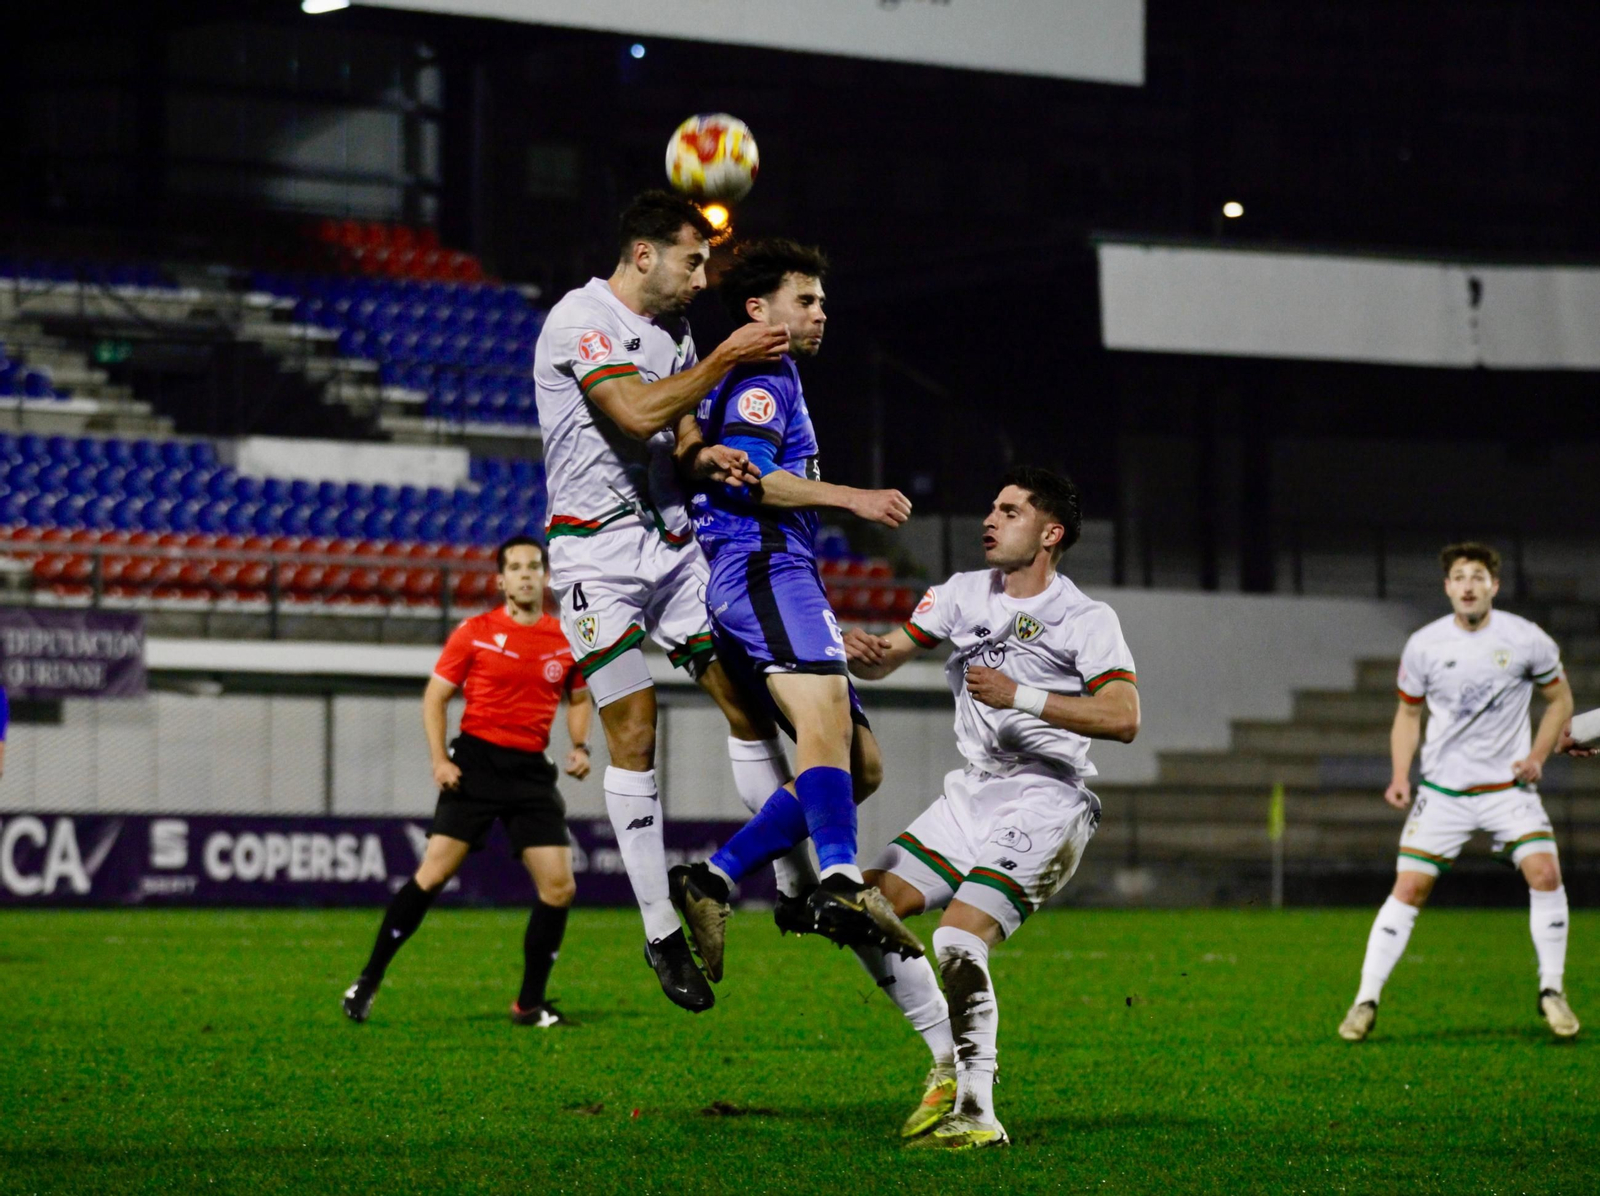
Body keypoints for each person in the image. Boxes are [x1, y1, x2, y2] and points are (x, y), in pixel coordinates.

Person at [534, 190, 798, 1013]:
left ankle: (794, 885)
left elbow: (673, 435)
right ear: (644, 255)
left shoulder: (675, 330)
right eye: (692, 260)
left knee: (748, 702)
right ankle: (659, 932)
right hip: (594, 559)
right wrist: (724, 359)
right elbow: (636, 408)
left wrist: (706, 456)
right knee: (636, 728)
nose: (702, 277)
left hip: (672, 547)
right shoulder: (579, 320)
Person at [844, 467, 1140, 1150]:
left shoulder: (1086, 618)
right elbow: (890, 655)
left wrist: (1023, 697)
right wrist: (869, 654)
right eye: (992, 507)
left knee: (957, 938)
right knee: (860, 909)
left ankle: (978, 1110)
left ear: (1050, 532)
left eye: (1009, 511)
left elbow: (1125, 717)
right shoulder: (959, 593)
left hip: (1047, 796)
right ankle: (947, 1060)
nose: (990, 519)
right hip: (973, 790)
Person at [666, 238, 922, 975]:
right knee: (826, 725)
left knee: (860, 764)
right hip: (760, 562)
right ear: (759, 309)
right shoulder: (761, 378)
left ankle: (712, 878)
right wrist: (854, 497)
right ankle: (839, 883)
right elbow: (751, 479)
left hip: (778, 573)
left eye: (819, 301)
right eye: (804, 301)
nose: (821, 313)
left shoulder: (767, 377)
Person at [342, 538, 592, 1028]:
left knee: (560, 888)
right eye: (515, 568)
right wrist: (439, 760)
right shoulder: (475, 632)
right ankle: (368, 980)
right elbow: (435, 698)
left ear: (545, 576)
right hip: (475, 764)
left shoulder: (565, 639)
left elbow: (579, 699)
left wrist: (580, 746)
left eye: (533, 567)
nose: (525, 575)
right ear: (500, 580)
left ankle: (530, 1005)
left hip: (529, 772)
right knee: (431, 876)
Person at [1338, 542, 1579, 1042]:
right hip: (1443, 791)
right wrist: (1401, 775)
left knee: (1545, 871)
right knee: (1409, 888)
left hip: (1507, 788)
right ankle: (1365, 999)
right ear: (1447, 587)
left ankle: (1551, 991)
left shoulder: (1527, 639)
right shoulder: (1424, 645)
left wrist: (1537, 757)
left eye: (1478, 576)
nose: (1469, 585)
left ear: (1495, 585)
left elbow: (1560, 700)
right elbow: (1407, 715)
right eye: (1459, 577)